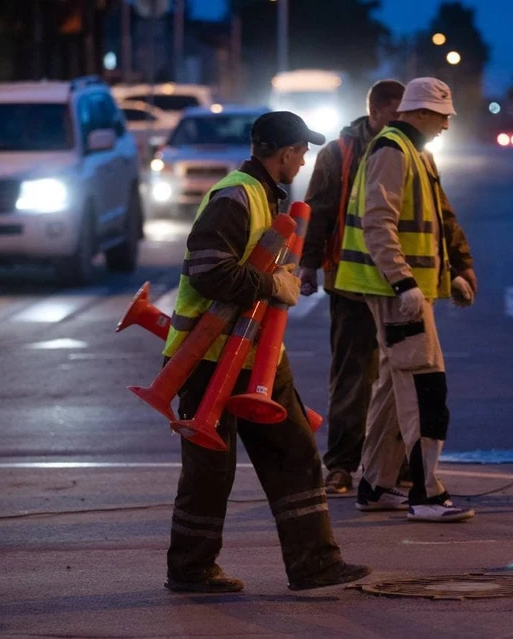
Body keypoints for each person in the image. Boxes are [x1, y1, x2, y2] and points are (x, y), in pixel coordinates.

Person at [162, 111, 371, 593]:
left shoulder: (263, 196)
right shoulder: (237, 195)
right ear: (283, 153)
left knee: (294, 454)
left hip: (253, 355)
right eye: (301, 152)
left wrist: (279, 281)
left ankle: (314, 563)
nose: (303, 161)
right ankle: (191, 570)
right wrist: (272, 283)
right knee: (210, 471)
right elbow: (208, 270)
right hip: (208, 358)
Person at [334, 77, 477, 522]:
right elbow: (380, 224)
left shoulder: (412, 152)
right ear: (420, 113)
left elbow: (425, 227)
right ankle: (427, 495)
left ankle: (376, 484)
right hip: (397, 294)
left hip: (401, 291)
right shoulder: (394, 151)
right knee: (424, 387)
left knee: (395, 391)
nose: (446, 126)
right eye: (442, 116)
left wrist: (446, 277)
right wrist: (404, 284)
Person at [299, 79, 408, 496]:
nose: (402, 123)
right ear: (376, 110)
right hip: (349, 281)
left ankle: (392, 466)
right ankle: (342, 466)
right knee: (352, 376)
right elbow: (319, 209)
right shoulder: (339, 151)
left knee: (402, 377)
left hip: (399, 283)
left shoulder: (411, 151)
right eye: (396, 114)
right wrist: (308, 265)